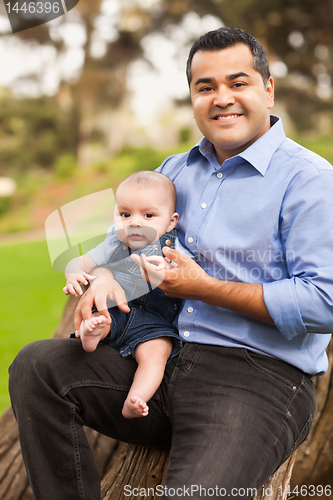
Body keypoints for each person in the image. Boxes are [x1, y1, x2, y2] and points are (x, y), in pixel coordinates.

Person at [9, 27, 333, 500]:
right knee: (38, 367)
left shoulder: (310, 180)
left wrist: (203, 287)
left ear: (268, 88)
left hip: (256, 380)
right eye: (206, 87)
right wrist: (100, 283)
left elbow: (324, 302)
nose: (222, 98)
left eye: (237, 83)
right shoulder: (174, 171)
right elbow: (124, 249)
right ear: (192, 99)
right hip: (160, 359)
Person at [63, 170, 184, 419]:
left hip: (153, 324)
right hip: (116, 311)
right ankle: (92, 333)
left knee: (156, 354)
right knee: (100, 317)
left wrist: (169, 270)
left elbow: (187, 273)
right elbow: (79, 261)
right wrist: (73, 273)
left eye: (148, 215)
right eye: (125, 214)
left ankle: (135, 398)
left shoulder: (174, 248)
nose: (135, 222)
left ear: (171, 221)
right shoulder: (113, 243)